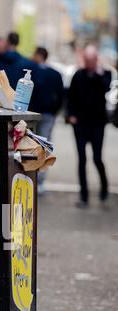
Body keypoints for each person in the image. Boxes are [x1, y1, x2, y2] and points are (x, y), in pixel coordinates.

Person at [67, 45, 111, 207]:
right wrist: (70, 115)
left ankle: (104, 188)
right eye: (87, 60)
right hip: (80, 124)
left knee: (97, 158)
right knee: (82, 160)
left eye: (92, 60)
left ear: (96, 59)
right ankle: (83, 195)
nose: (89, 63)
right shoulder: (78, 75)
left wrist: (98, 73)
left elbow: (106, 88)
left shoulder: (105, 74)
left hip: (97, 124)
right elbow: (70, 96)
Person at [31, 47, 64, 193]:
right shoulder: (55, 74)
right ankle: (41, 181)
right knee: (45, 145)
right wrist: (55, 111)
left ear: (38, 55)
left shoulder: (32, 72)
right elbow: (61, 95)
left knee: (32, 145)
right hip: (49, 114)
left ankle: (33, 176)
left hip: (33, 114)